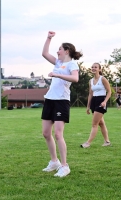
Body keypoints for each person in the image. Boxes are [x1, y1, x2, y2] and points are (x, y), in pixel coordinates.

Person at [41, 31, 82, 178]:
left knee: (58, 134)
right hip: (50, 99)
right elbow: (44, 53)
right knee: (46, 133)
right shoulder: (58, 62)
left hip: (61, 101)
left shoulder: (72, 64)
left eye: (59, 49)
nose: (57, 51)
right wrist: (49, 38)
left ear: (67, 51)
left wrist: (57, 74)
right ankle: (54, 162)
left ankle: (65, 166)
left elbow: (75, 78)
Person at [81, 63, 112, 148]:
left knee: (94, 124)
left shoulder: (103, 79)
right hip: (94, 101)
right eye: (92, 67)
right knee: (101, 123)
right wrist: (88, 106)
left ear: (100, 69)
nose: (93, 68)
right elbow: (90, 94)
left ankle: (88, 143)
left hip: (101, 101)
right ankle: (107, 141)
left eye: (96, 67)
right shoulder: (90, 81)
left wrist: (105, 101)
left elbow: (109, 91)